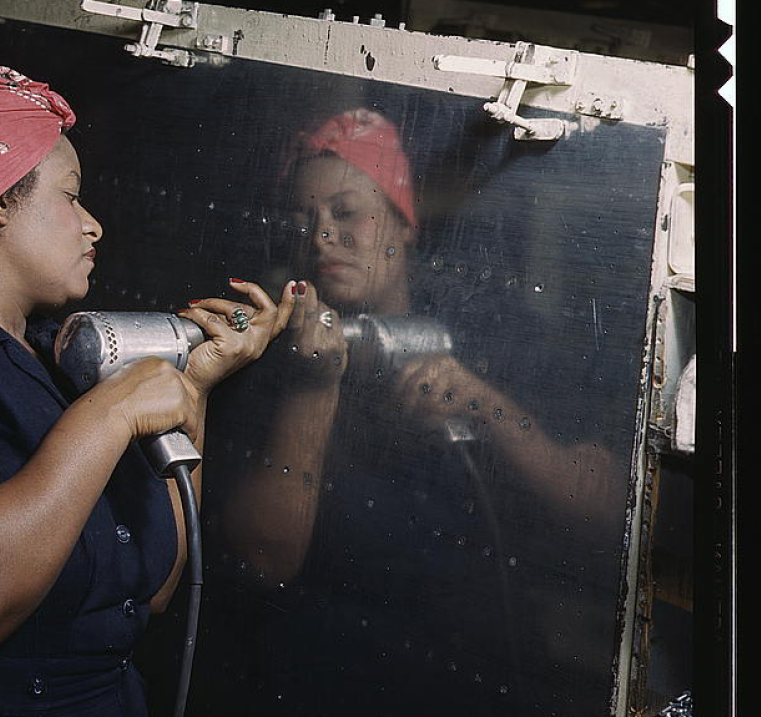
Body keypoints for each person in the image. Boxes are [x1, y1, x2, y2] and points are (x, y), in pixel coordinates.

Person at [0, 66, 297, 717]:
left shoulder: (54, 357)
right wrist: (112, 413)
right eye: (70, 196)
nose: (93, 225)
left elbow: (152, 589)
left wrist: (194, 386)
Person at [203, 108, 626, 715]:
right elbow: (262, 560)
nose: (321, 236)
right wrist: (312, 388)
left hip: (478, 676)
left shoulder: (493, 330)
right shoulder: (265, 356)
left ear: (403, 223)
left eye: (346, 212)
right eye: (302, 218)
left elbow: (606, 514)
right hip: (321, 677)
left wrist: (487, 408)